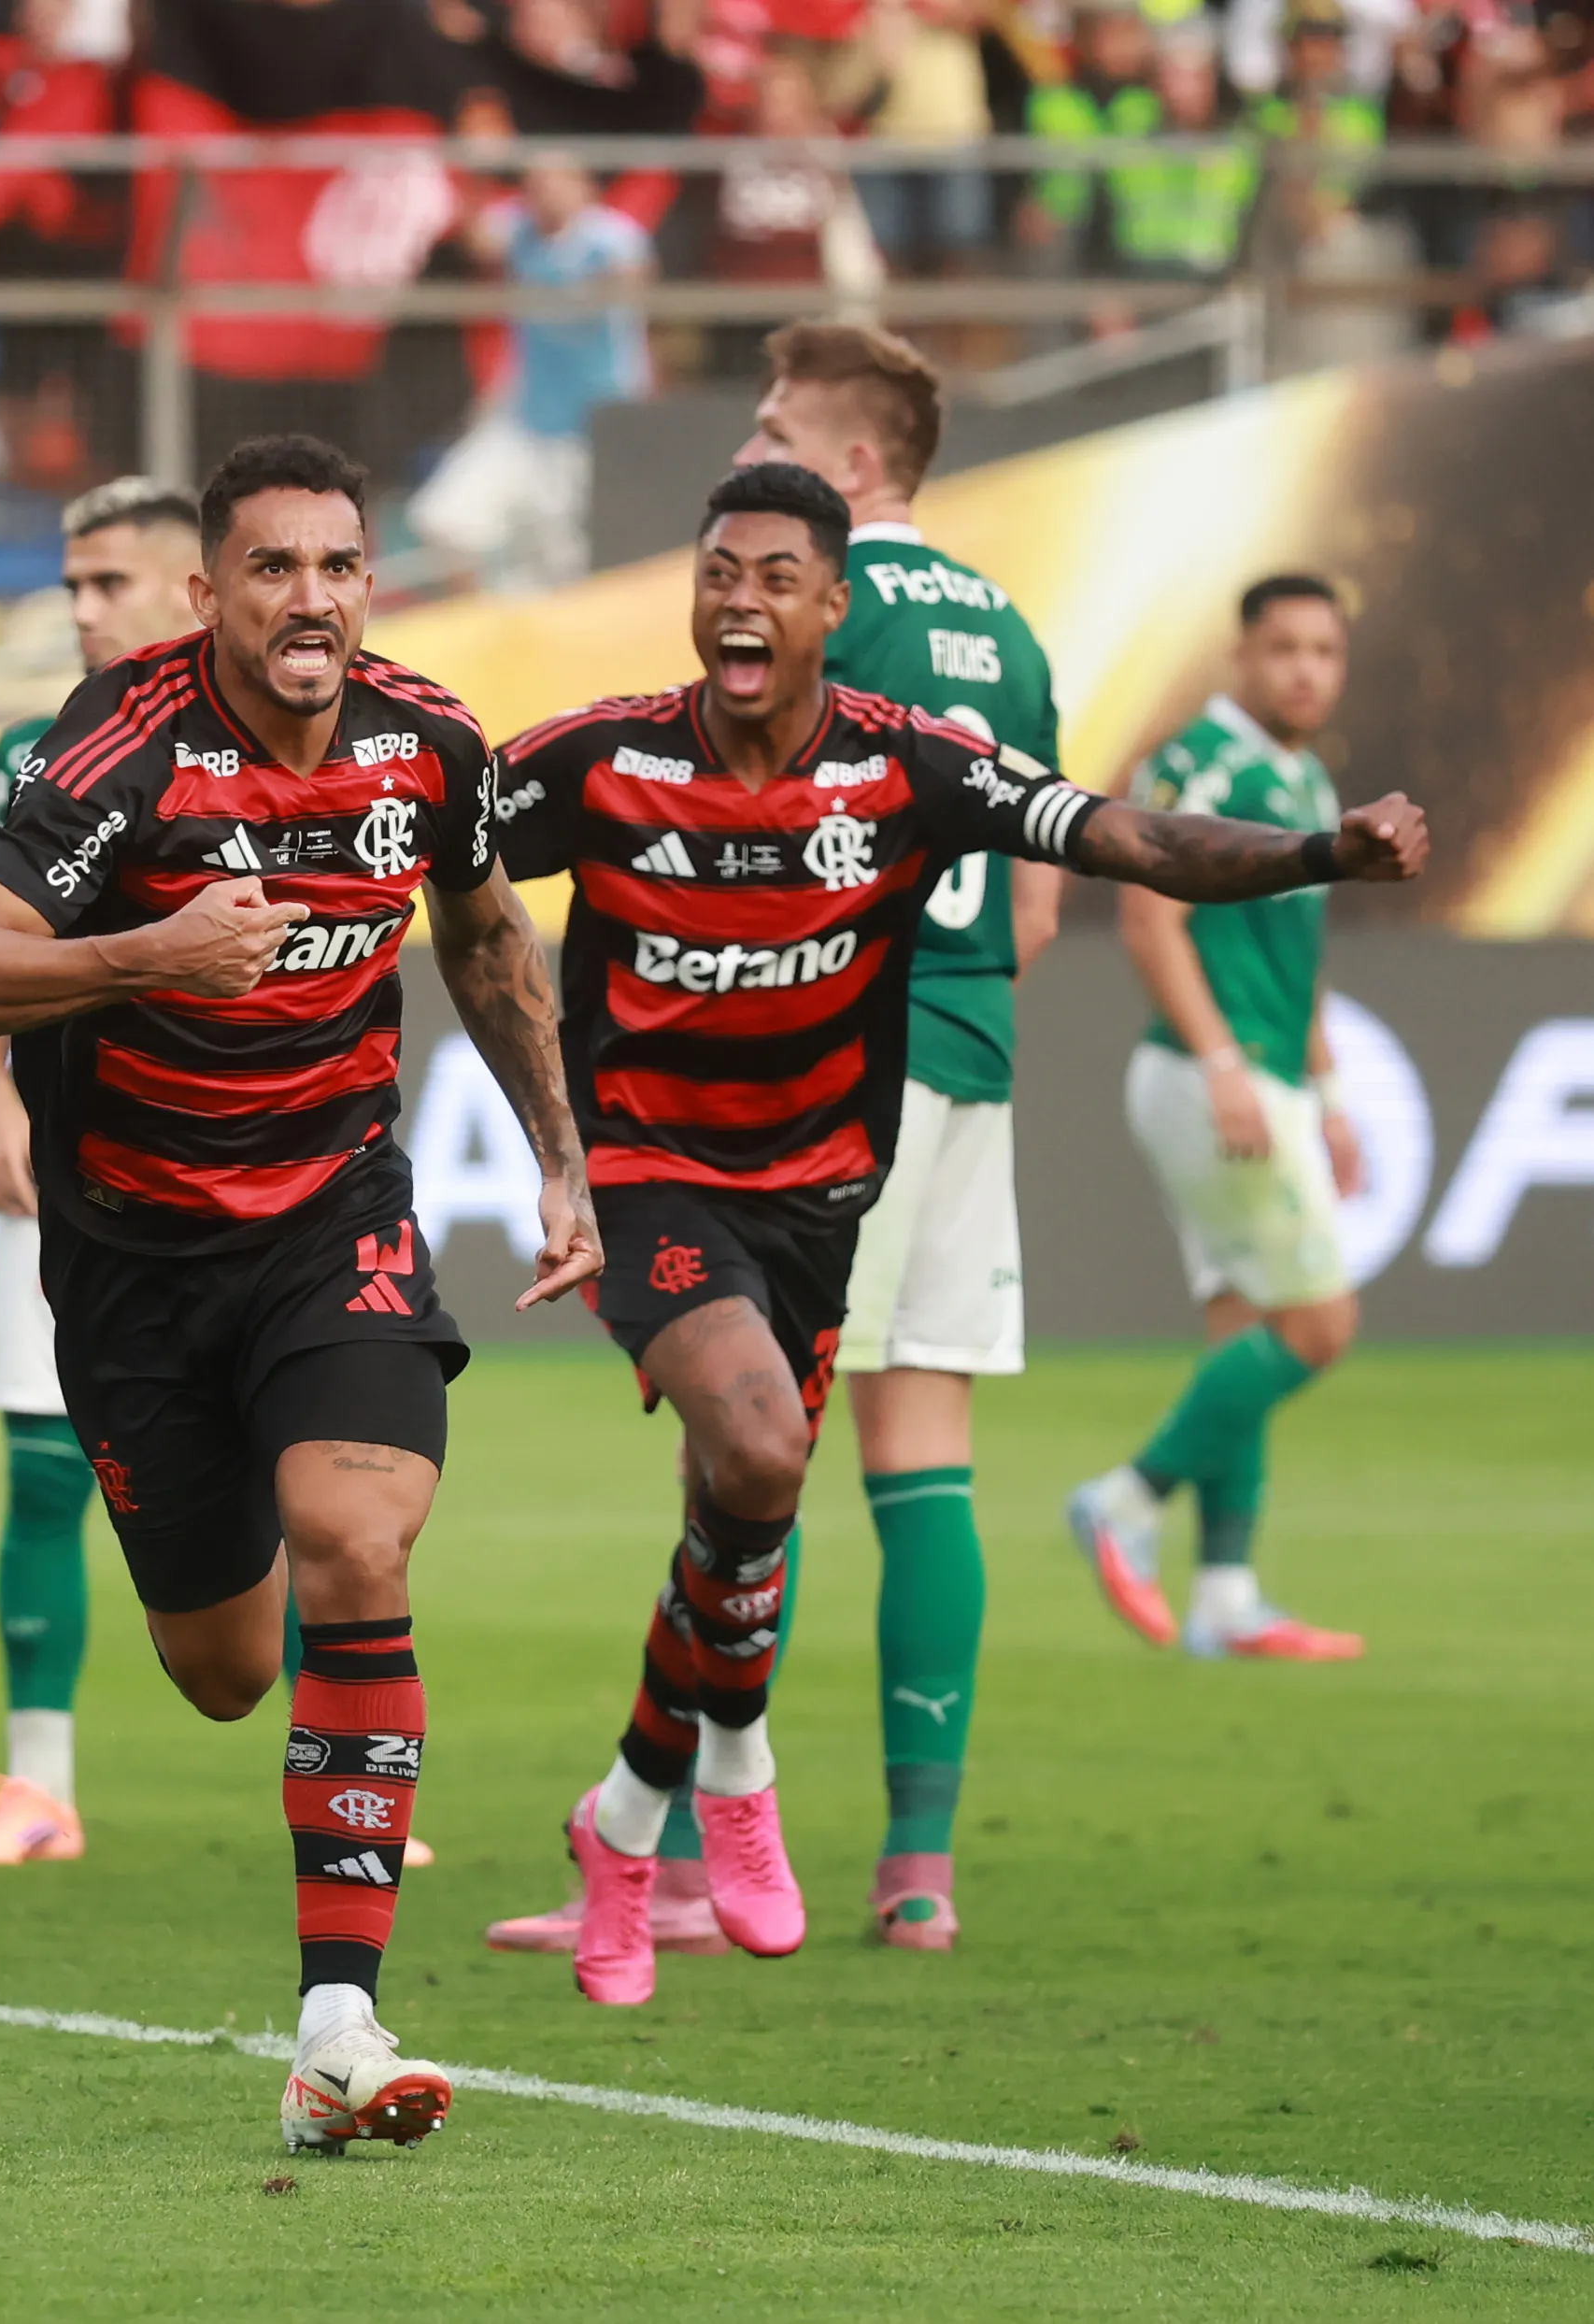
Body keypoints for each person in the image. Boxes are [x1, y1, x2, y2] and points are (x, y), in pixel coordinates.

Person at [488, 462, 1426, 2010]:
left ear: (830, 610)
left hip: (819, 1192)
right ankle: (741, 1773)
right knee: (764, 1452)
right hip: (656, 1176)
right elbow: (430, 844)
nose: (740, 596)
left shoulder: (909, 763)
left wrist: (1323, 855)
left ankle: (620, 1825)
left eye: (776, 575)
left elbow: (1129, 841)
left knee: (737, 1518)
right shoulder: (601, 758)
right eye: (718, 569)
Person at [0, 434, 600, 2151]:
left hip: (331, 1220)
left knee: (357, 1537)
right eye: (273, 570)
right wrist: (145, 952)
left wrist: (563, 1160)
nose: (311, 601)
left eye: (338, 567)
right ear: (207, 594)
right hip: (133, 1265)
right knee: (219, 1666)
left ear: (373, 580)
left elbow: (489, 934)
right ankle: (292, 1629)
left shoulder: (428, 740)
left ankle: (337, 2025)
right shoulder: (120, 748)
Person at [492, 321, 1060, 1960]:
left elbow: (779, 815)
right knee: (919, 1449)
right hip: (971, 1045)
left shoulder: (817, 603)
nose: (751, 453)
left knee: (751, 1449)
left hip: (805, 1062)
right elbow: (1033, 877)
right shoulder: (1008, 624)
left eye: (780, 431)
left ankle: (673, 1838)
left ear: (852, 480)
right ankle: (919, 1867)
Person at [0, 475, 203, 1871]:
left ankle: (345, 1777)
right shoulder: (26, 751)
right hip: (71, 1156)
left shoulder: (261, 735)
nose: (82, 606)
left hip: (238, 1165)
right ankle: (36, 1783)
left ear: (186, 587)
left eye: (109, 581)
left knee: (304, 1473)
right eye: (73, 583)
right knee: (45, 1469)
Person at [1068, 576, 1373, 1662]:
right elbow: (1149, 925)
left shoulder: (1303, 777)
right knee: (1319, 1323)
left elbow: (1299, 963)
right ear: (1239, 657)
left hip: (1261, 1076)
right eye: (1282, 647)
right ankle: (1126, 1499)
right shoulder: (1196, 760)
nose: (1303, 668)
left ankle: (1227, 1597)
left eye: (1322, 651)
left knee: (1245, 1330)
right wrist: (1220, 1063)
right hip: (1210, 1080)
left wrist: (1328, 1095)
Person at [412, 156, 652, 595]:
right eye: (537, 182)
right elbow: (476, 237)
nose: (546, 192)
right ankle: (481, 623)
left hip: (590, 428)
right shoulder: (518, 227)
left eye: (558, 181)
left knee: (565, 570)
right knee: (446, 519)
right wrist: (479, 157)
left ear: (584, 187)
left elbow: (632, 279)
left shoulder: (609, 238)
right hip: (525, 419)